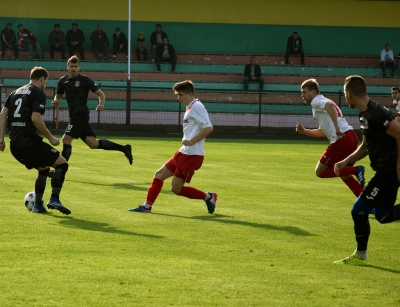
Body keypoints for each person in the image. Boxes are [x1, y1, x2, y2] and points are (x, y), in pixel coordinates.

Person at [333, 75, 400, 265]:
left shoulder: (377, 114)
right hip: (385, 171)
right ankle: (360, 254)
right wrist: (345, 161)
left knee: (359, 211)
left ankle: (360, 254)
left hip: (387, 172)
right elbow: (366, 145)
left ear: (349, 94)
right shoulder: (365, 114)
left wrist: (398, 166)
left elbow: (399, 135)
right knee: (383, 215)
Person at [129, 80, 217, 214]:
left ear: (190, 94)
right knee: (158, 175)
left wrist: (191, 141)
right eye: (177, 95)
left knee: (176, 189)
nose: (178, 98)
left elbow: (208, 128)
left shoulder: (197, 106)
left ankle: (208, 197)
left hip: (192, 155)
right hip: (184, 153)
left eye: (180, 95)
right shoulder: (190, 107)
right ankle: (147, 207)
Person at [0, 66, 71, 215]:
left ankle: (38, 204)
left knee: (43, 167)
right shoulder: (38, 93)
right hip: (29, 143)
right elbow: (35, 118)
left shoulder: (14, 93)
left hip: (15, 145)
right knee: (62, 163)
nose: (45, 84)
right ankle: (54, 199)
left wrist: (1, 140)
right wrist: (50, 137)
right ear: (42, 79)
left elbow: (2, 115)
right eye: (46, 81)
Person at [51, 56, 133, 168]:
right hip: (74, 114)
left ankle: (60, 169)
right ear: (68, 67)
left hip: (81, 114)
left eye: (76, 66)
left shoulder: (85, 80)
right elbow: (59, 95)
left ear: (79, 67)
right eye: (71, 66)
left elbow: (100, 93)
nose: (73, 68)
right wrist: (56, 100)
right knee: (93, 143)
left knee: (66, 139)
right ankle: (124, 148)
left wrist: (101, 104)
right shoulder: (63, 81)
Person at [296, 78, 365, 197]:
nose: (302, 95)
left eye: (304, 92)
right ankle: (366, 203)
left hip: (342, 140)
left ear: (313, 92)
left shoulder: (316, 101)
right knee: (345, 175)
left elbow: (329, 106)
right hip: (350, 136)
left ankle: (357, 170)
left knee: (320, 171)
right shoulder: (322, 101)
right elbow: (323, 132)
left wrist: (337, 127)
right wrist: (304, 131)